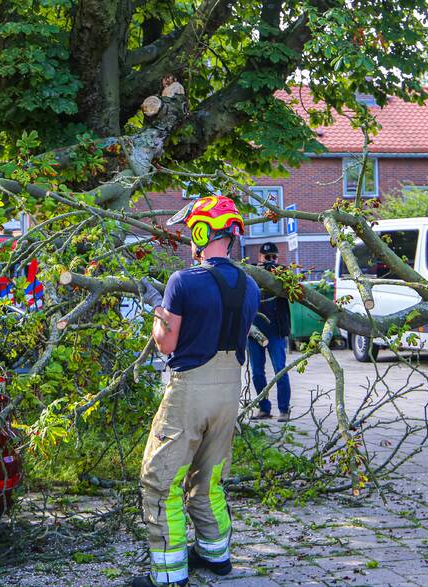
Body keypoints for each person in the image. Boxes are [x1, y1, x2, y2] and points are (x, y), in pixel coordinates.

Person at [133, 195, 260, 587]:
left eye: (193, 232)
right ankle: (215, 555)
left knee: (160, 482)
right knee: (208, 481)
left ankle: (169, 574)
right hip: (229, 391)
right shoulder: (250, 285)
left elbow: (166, 343)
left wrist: (158, 307)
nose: (190, 239)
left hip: (190, 390)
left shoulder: (183, 281)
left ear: (203, 232)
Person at [248, 242, 293, 422]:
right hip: (255, 330)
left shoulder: (282, 274)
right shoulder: (252, 272)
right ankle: (264, 408)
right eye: (268, 257)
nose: (271, 260)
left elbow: (291, 290)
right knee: (257, 372)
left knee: (280, 370)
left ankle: (284, 409)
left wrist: (277, 272)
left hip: (276, 330)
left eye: (274, 257)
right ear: (260, 257)